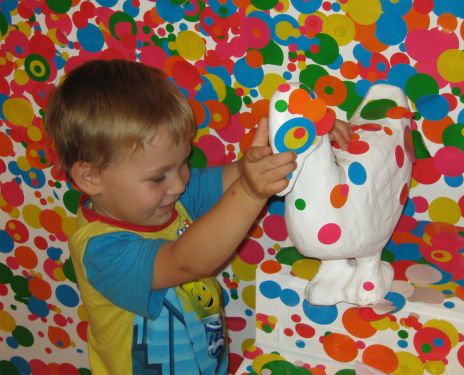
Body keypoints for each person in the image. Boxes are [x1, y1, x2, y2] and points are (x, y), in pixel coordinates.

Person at [44, 59, 351, 374]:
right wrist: (250, 191)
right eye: (158, 177)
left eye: (182, 164)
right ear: (91, 177)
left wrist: (296, 142)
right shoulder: (101, 249)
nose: (180, 183)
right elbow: (187, 261)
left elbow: (236, 176)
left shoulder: (172, 198)